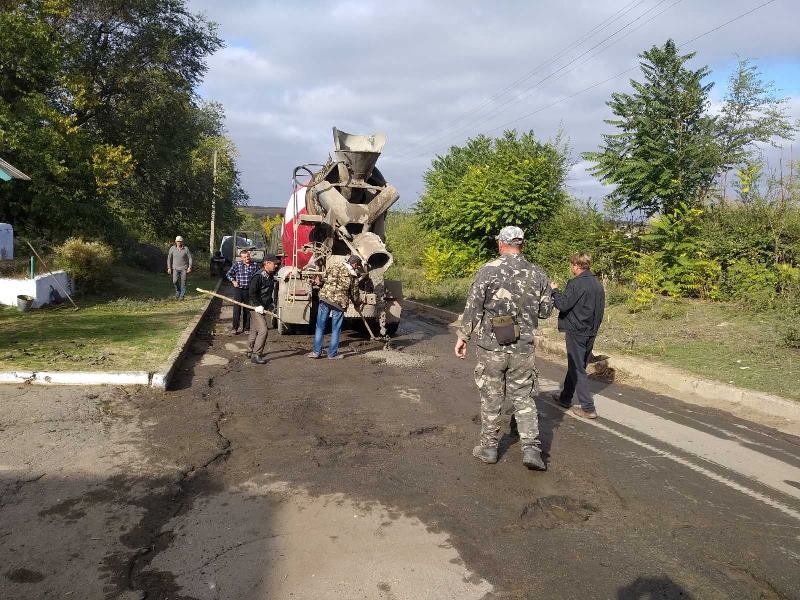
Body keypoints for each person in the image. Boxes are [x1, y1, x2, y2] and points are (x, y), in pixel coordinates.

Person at [455, 226, 552, 471]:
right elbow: (544, 312)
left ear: (501, 244)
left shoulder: (487, 271)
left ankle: (488, 447)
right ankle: (532, 449)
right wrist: (550, 291)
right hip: (523, 349)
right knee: (524, 396)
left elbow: (473, 307)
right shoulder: (538, 274)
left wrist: (463, 336)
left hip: (491, 347)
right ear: (522, 245)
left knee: (492, 395)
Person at [549, 252, 605, 419]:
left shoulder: (576, 283)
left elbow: (563, 304)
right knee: (577, 365)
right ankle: (566, 397)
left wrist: (554, 291)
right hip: (591, 331)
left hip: (576, 331)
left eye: (571, 264)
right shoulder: (597, 284)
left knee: (577, 368)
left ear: (576, 265)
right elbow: (600, 310)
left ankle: (588, 408)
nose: (571, 267)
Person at [308, 254, 364, 360]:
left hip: (325, 298)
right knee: (336, 329)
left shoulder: (335, 265)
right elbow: (354, 293)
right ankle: (332, 354)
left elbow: (324, 278)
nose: (357, 268)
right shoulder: (353, 275)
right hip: (339, 303)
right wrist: (357, 304)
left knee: (320, 326)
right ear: (355, 264)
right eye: (357, 266)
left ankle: (316, 352)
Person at [249, 254, 278, 365]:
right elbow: (252, 293)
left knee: (254, 330)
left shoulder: (269, 275)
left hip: (263, 306)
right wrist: (257, 306)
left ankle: (249, 350)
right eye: (274, 263)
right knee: (263, 330)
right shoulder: (258, 276)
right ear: (267, 263)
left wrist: (270, 304)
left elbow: (268, 293)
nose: (275, 265)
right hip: (255, 307)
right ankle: (256, 354)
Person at [226, 249, 258, 335]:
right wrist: (233, 281)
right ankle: (235, 328)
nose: (247, 258)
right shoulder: (237, 265)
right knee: (237, 309)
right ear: (241, 258)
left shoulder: (255, 265)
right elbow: (228, 274)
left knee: (247, 310)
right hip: (239, 290)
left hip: (249, 291)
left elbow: (258, 276)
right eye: (244, 257)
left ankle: (246, 328)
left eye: (248, 256)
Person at [167, 236, 193, 300]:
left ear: (182, 242)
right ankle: (178, 291)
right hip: (175, 268)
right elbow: (169, 258)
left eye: (180, 241)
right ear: (175, 241)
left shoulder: (186, 249)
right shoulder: (172, 248)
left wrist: (189, 267)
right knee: (174, 281)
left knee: (183, 283)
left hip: (184, 268)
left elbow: (190, 258)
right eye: (178, 241)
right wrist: (169, 268)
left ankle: (182, 296)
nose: (179, 242)